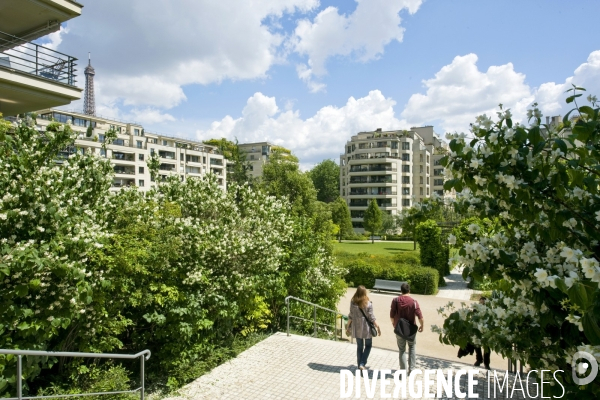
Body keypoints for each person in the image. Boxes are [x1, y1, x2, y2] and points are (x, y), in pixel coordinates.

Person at [390, 283, 424, 375]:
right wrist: (422, 325)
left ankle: (403, 371)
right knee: (412, 347)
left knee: (401, 350)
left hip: (399, 329)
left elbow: (392, 316)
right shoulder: (414, 302)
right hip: (411, 330)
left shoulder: (395, 300)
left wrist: (394, 324)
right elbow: (420, 316)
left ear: (401, 291)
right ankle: (412, 369)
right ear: (409, 291)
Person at [346, 285, 381, 370]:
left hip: (357, 328)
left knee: (359, 347)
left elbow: (351, 316)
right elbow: (371, 317)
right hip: (366, 328)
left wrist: (348, 326)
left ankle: (360, 366)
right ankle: (362, 363)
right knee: (368, 346)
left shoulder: (353, 303)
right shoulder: (368, 304)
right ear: (364, 293)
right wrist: (378, 326)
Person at [474, 297, 491, 369]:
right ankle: (479, 360)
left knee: (487, 347)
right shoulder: (476, 309)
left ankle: (486, 363)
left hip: (486, 330)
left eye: (483, 301)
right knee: (477, 346)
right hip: (478, 329)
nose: (482, 302)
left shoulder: (489, 309)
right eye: (481, 301)